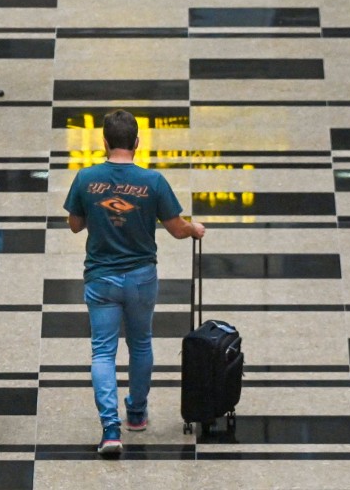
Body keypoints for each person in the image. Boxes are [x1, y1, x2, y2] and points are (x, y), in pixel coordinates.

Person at [63, 109, 206, 456]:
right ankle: (138, 415)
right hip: (142, 277)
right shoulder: (153, 182)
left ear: (105, 142)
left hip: (101, 279)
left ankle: (110, 430)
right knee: (140, 344)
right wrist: (194, 230)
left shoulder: (85, 178)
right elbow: (176, 228)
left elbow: (74, 225)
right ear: (137, 143)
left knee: (103, 351)